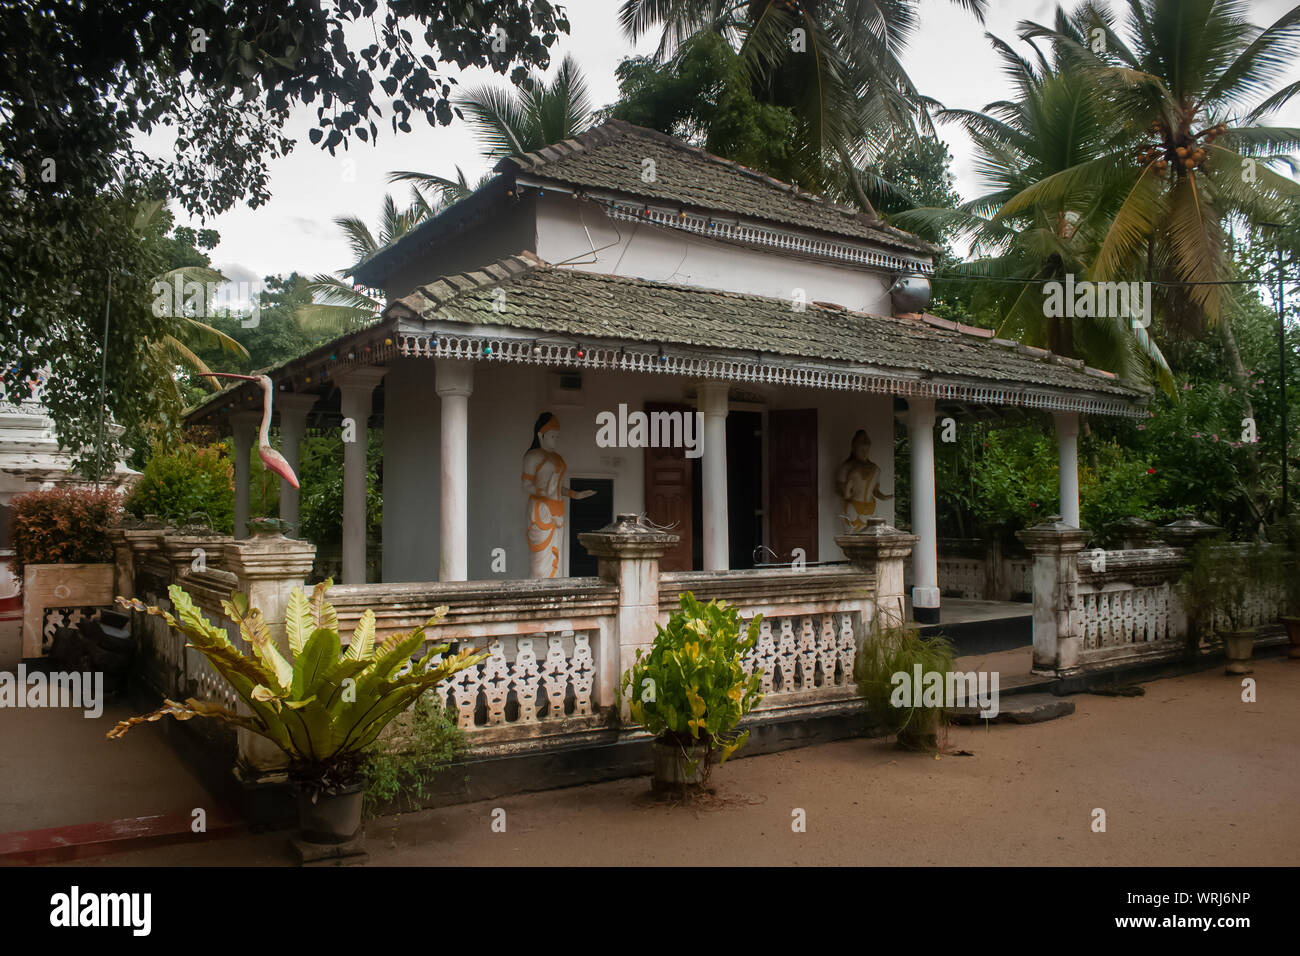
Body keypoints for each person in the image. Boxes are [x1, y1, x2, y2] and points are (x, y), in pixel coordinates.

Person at [521, 412, 595, 578]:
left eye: (557, 436)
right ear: (541, 435)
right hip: (540, 510)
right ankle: (538, 595)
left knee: (556, 557)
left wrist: (575, 494)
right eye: (552, 435)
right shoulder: (533, 456)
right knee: (540, 561)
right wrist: (541, 491)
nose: (555, 439)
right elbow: (525, 484)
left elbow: (557, 487)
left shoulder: (557, 458)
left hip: (558, 509)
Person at [835, 429, 892, 531]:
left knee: (872, 537)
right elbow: (840, 489)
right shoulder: (847, 467)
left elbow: (875, 490)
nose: (864, 453)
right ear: (854, 449)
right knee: (853, 537)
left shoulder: (875, 468)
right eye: (861, 450)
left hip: (871, 507)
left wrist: (884, 496)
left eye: (866, 450)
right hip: (854, 506)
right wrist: (848, 488)